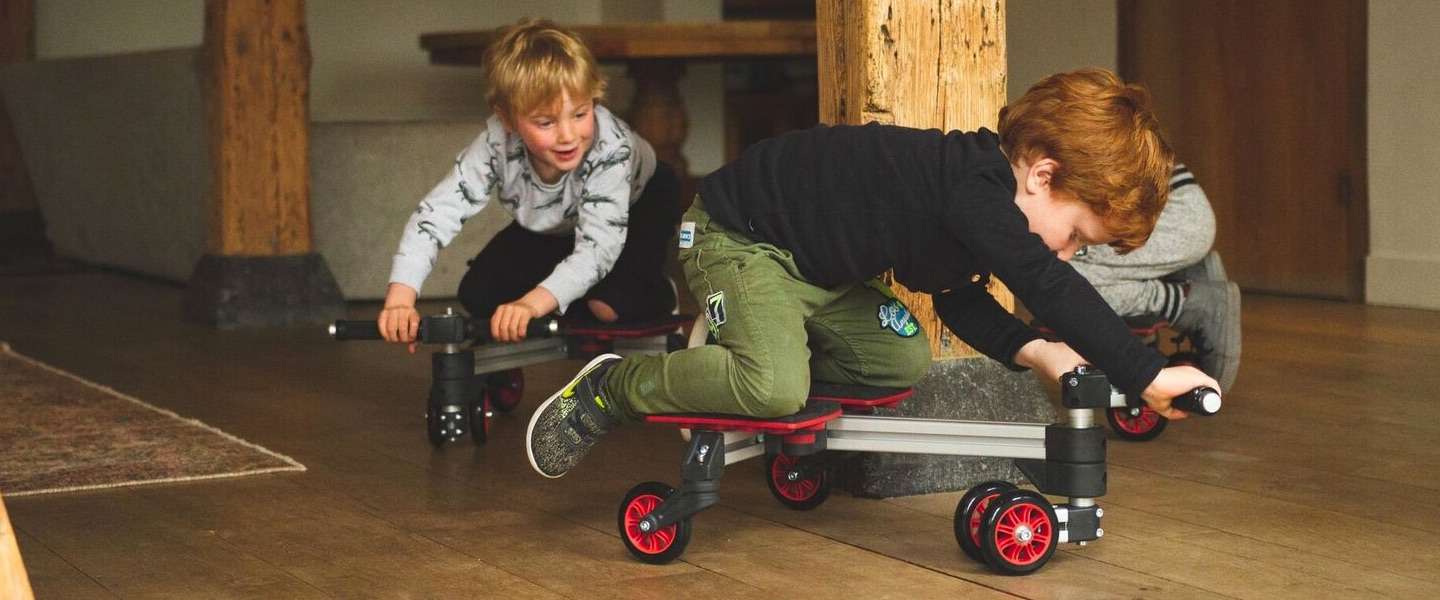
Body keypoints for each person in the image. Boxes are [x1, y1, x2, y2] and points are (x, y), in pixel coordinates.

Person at [525, 68, 1219, 479]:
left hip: (819, 272)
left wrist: (1036, 349)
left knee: (900, 358)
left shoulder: (980, 210)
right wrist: (1144, 372)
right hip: (736, 235)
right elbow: (1046, 282)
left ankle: (764, 368)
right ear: (1042, 174)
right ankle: (619, 386)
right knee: (772, 386)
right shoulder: (974, 189)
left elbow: (957, 300)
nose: (1066, 252)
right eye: (1074, 234)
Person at [377, 19, 681, 350]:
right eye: (546, 122)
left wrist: (532, 304)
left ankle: (656, 289)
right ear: (507, 119)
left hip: (641, 202)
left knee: (607, 306)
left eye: (580, 114)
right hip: (559, 220)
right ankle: (573, 293)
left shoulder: (611, 149)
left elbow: (597, 249)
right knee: (478, 295)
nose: (567, 136)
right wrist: (400, 298)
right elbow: (436, 214)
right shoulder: (495, 144)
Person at [1070, 164, 1241, 391]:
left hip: (1169, 215)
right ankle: (1185, 271)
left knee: (1063, 281)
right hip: (1174, 205)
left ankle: (1190, 302)